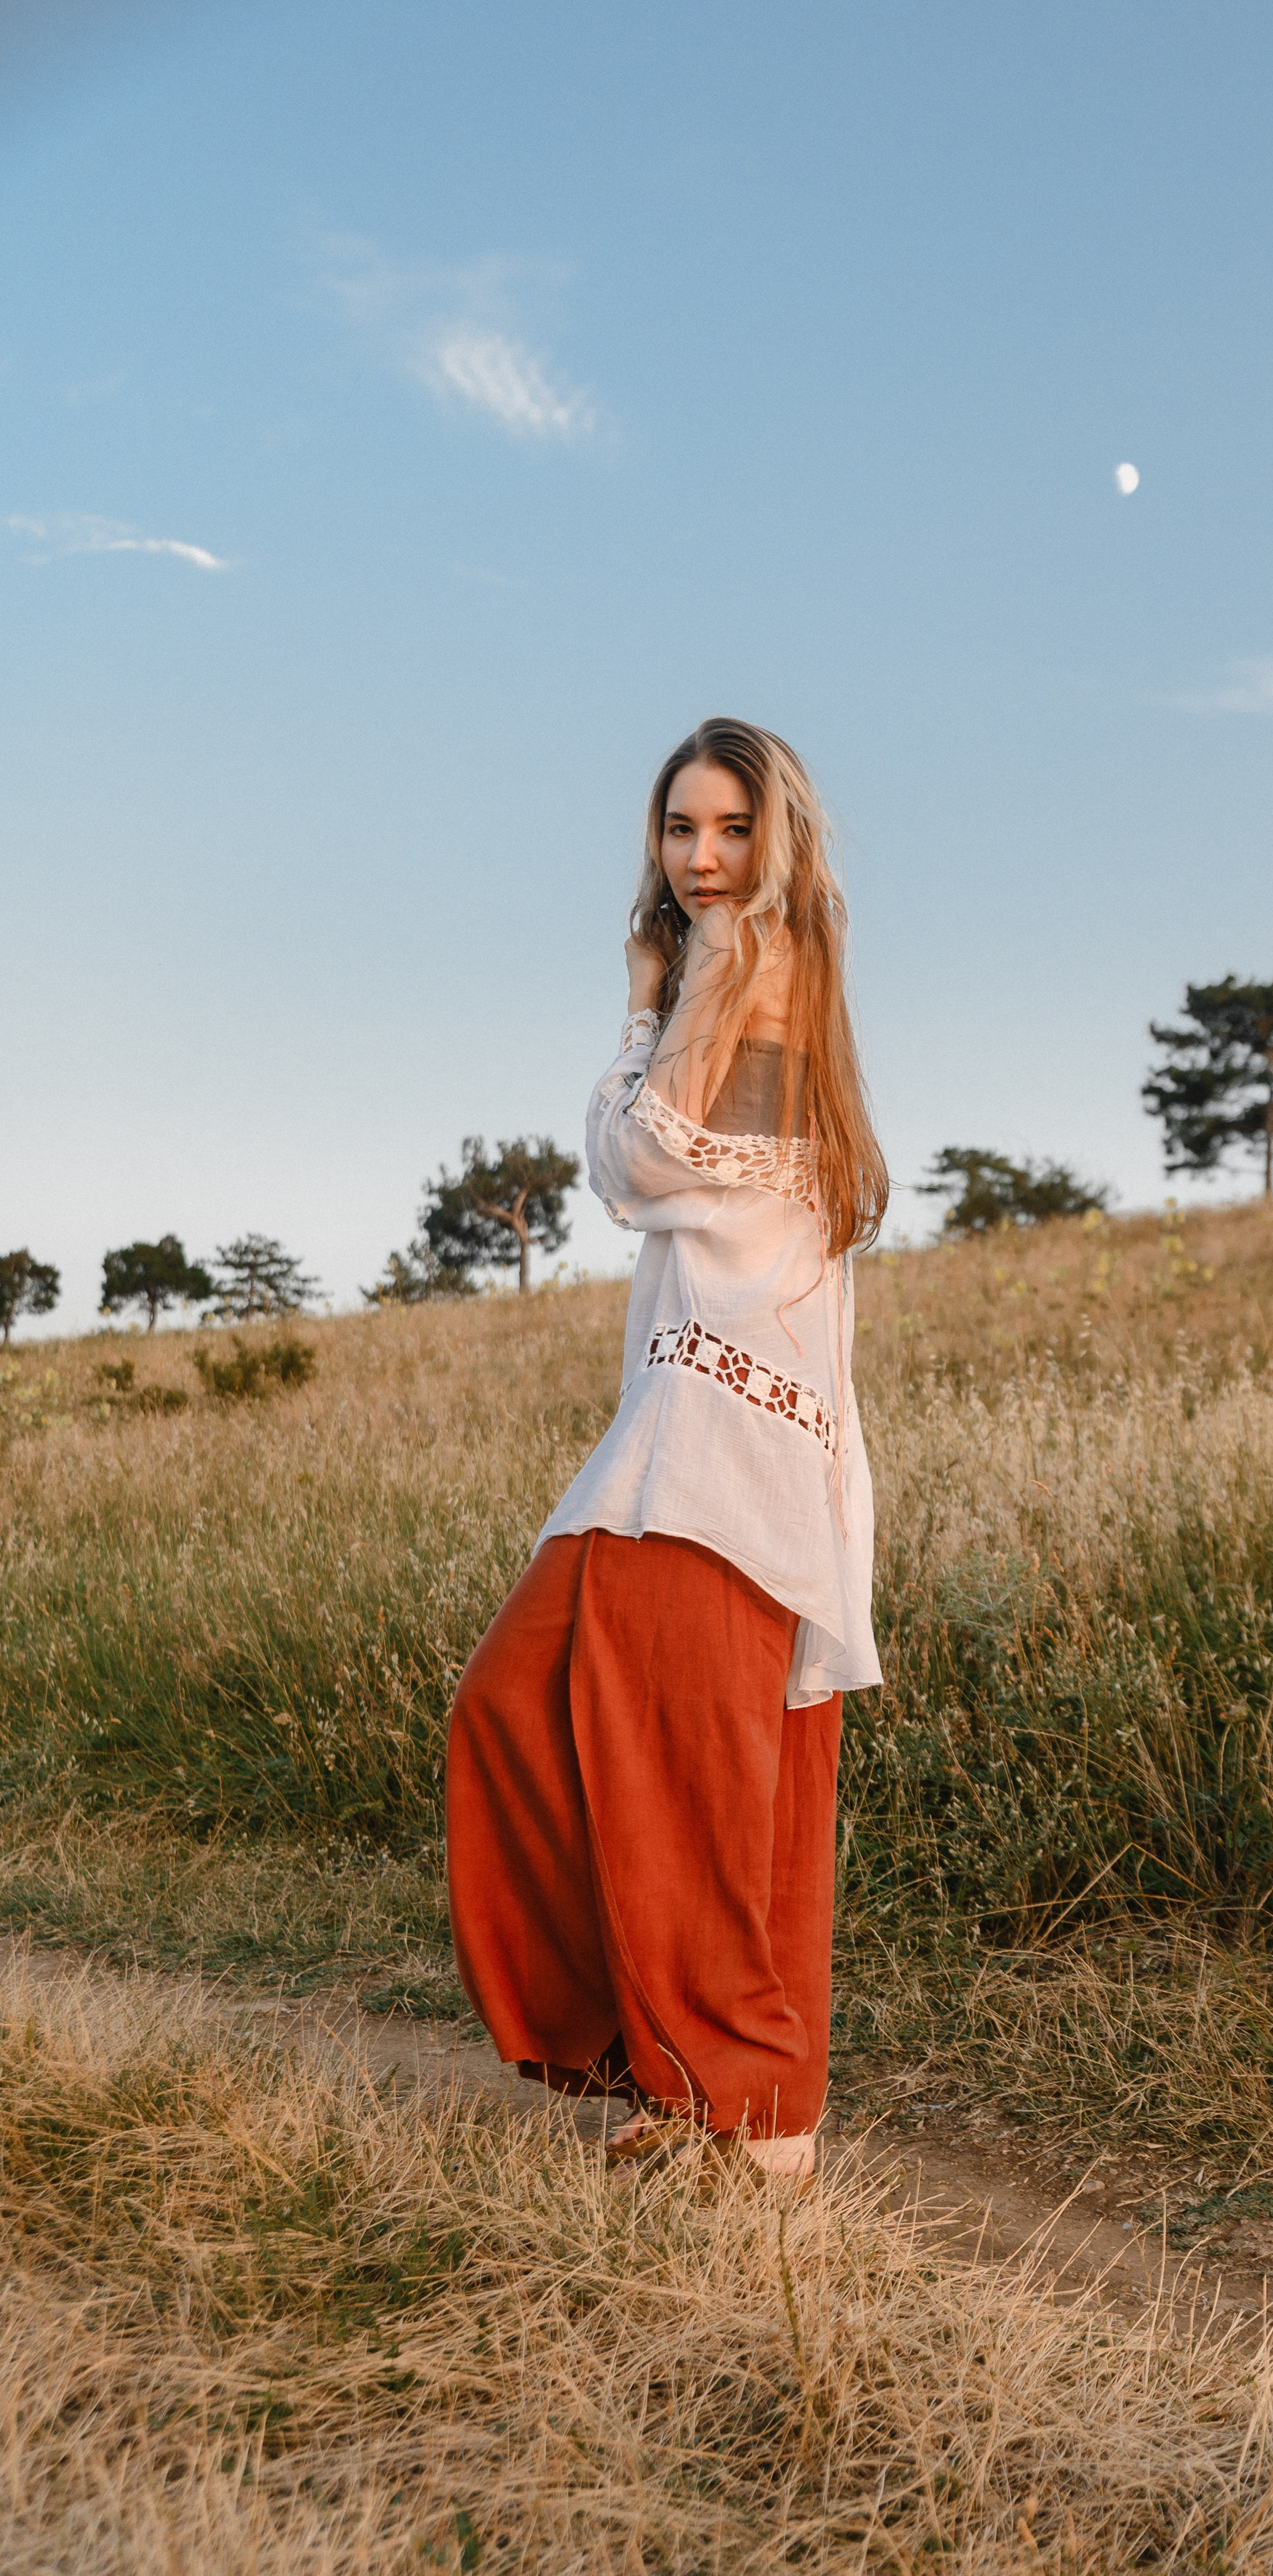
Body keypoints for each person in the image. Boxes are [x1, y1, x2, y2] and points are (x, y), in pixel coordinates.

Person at [446, 718, 887, 2180]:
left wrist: (639, 1012)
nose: (701, 859)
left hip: (721, 1438)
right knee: (625, 1743)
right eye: (680, 829)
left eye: (731, 829)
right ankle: (708, 2084)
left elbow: (638, 1163)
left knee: (668, 1768)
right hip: (713, 1425)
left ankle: (746, 2115)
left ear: (781, 838)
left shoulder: (740, 957)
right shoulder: (795, 965)